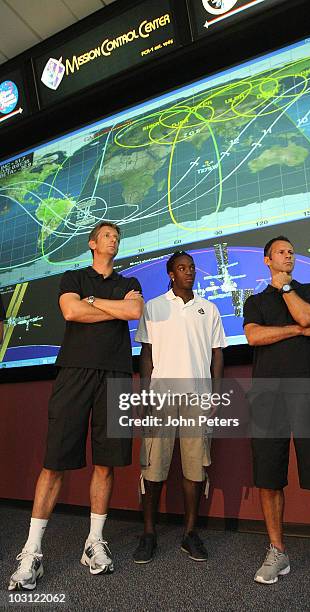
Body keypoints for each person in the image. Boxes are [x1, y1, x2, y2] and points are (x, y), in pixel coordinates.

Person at [8, 221, 143, 591]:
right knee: (54, 463)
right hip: (74, 374)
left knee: (107, 463)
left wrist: (95, 304)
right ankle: (31, 551)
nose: (113, 239)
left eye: (117, 236)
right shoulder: (73, 277)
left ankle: (94, 542)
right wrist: (106, 308)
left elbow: (134, 313)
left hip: (115, 375)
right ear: (92, 243)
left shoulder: (129, 283)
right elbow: (71, 312)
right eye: (107, 235)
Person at [243, 235, 310, 590]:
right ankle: (277, 550)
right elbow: (254, 337)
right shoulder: (255, 300)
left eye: (291, 252)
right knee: (269, 475)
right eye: (281, 252)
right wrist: (297, 331)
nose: (288, 255)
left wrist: (288, 288)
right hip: (267, 397)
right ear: (266, 260)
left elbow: (308, 315)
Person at [133, 251, 227, 564]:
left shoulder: (208, 308)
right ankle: (148, 534)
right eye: (182, 268)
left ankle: (189, 533)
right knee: (153, 467)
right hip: (160, 396)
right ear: (171, 273)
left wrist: (215, 393)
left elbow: (217, 354)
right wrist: (145, 394)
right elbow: (145, 354)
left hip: (197, 398)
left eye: (191, 267)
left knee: (195, 467)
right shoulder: (154, 307)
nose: (189, 272)